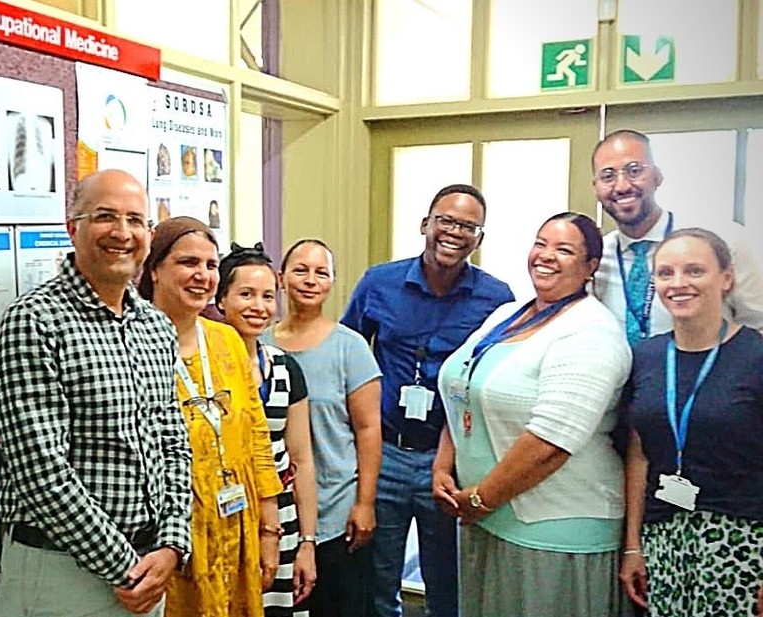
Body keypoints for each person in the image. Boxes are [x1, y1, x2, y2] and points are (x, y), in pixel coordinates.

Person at [0, 169, 192, 617]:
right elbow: (41, 474)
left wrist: (173, 544)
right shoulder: (35, 323)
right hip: (62, 573)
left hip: (148, 569)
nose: (122, 233)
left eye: (135, 220)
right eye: (105, 217)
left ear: (149, 235)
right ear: (72, 227)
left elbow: (173, 441)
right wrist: (125, 567)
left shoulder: (155, 325)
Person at [434, 212, 632, 617]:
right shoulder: (509, 313)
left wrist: (479, 498)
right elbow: (463, 386)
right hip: (486, 519)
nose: (546, 256)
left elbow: (551, 442)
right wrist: (444, 465)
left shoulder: (591, 332)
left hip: (553, 526)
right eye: (541, 243)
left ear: (590, 266)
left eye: (564, 249)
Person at [341, 183, 514, 617]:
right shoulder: (379, 283)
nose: (455, 232)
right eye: (446, 221)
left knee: (448, 580)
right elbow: (350, 358)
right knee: (378, 580)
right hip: (385, 454)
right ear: (426, 224)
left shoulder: (497, 299)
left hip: (453, 461)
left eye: (468, 226)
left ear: (480, 238)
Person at [137, 218, 283, 617]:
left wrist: (270, 529)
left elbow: (256, 435)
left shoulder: (227, 340)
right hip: (171, 537)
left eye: (210, 264)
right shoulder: (135, 346)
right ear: (154, 270)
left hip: (236, 523)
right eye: (187, 263)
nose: (202, 276)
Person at [620, 228, 763, 617]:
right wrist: (633, 545)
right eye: (665, 273)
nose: (678, 283)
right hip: (663, 537)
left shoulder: (755, 355)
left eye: (695, 271)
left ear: (727, 279)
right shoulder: (645, 357)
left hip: (742, 540)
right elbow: (639, 456)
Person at [261, 239, 381, 617]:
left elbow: (368, 429)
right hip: (275, 510)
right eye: (300, 270)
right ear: (281, 278)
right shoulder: (258, 343)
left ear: (331, 282)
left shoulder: (351, 347)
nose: (310, 280)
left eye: (321, 272)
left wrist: (365, 503)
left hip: (335, 511)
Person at [216, 241, 318, 616]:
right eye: (245, 294)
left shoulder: (285, 368)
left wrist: (307, 542)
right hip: (224, 517)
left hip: (283, 519)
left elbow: (303, 460)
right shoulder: (203, 365)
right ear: (221, 299)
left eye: (267, 296)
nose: (258, 307)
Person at [591, 129, 763, 346]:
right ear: (595, 188)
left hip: (710, 375)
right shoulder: (597, 257)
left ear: (658, 177)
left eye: (634, 171)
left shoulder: (723, 239)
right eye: (608, 176)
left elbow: (758, 324)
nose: (622, 185)